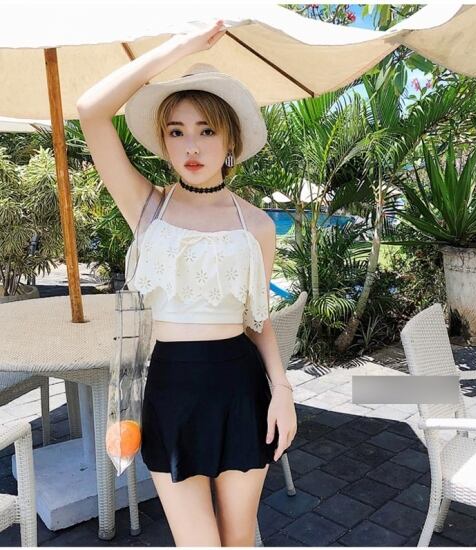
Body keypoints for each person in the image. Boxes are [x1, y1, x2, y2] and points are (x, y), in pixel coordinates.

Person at [76, 19, 297, 547]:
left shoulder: (256, 225)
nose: (191, 145)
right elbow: (91, 111)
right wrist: (176, 47)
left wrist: (283, 392)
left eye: (206, 130)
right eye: (176, 131)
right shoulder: (147, 207)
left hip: (241, 391)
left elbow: (258, 320)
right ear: (164, 141)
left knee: (238, 541)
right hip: (170, 389)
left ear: (231, 141)